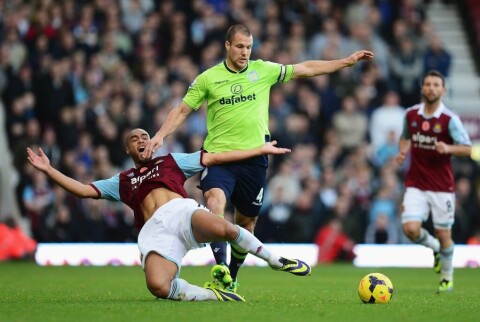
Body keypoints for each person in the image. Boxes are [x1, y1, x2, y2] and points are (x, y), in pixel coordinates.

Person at [142, 24, 373, 291]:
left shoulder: (262, 70)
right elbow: (182, 110)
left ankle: (232, 275)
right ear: (227, 46)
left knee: (246, 223)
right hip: (220, 158)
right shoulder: (208, 78)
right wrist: (160, 135)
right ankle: (219, 266)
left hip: (254, 160)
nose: (245, 52)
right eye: (240, 46)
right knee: (215, 201)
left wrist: (345, 62)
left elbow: (304, 69)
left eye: (249, 47)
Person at [27, 128, 311, 302]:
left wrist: (257, 150)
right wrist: (49, 170)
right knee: (158, 287)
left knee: (224, 227)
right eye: (134, 139)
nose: (141, 140)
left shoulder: (171, 161)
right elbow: (83, 190)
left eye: (145, 136)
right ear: (128, 149)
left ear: (152, 142)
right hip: (155, 232)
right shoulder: (122, 180)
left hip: (181, 213)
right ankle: (213, 295)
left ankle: (274, 259)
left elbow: (214, 157)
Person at [396, 70, 472, 293]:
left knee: (444, 233)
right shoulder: (410, 115)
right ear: (422, 88)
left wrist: (448, 148)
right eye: (428, 84)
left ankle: (447, 277)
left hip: (442, 187)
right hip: (416, 183)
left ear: (443, 90)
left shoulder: (450, 120)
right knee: (410, 229)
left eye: (436, 85)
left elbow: (467, 148)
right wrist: (402, 152)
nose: (431, 88)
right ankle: (434, 248)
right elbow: (405, 137)